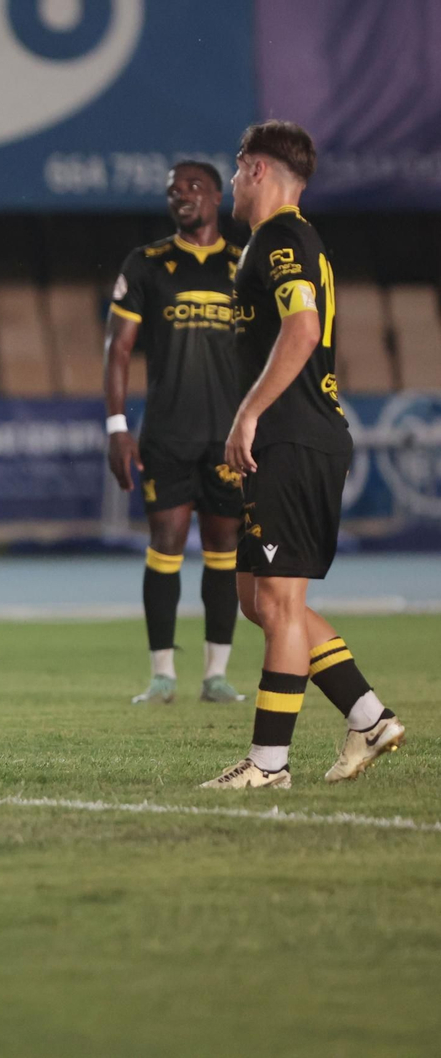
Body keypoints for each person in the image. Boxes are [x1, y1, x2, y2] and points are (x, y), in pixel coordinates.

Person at [203, 121, 404, 789]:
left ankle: (268, 766)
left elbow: (304, 327)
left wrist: (250, 411)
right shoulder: (285, 240)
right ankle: (368, 716)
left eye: (236, 169)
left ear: (257, 170)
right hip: (295, 438)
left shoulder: (281, 238)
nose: (232, 182)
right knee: (259, 600)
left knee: (280, 604)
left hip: (291, 437)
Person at [104, 162, 248, 705]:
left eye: (192, 187)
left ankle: (216, 675)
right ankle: (162, 674)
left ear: (216, 194)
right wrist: (118, 426)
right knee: (164, 543)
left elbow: (268, 351)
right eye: (172, 191)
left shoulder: (245, 264)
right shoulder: (146, 264)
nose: (181, 196)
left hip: (229, 437)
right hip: (166, 434)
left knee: (223, 545)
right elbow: (117, 350)